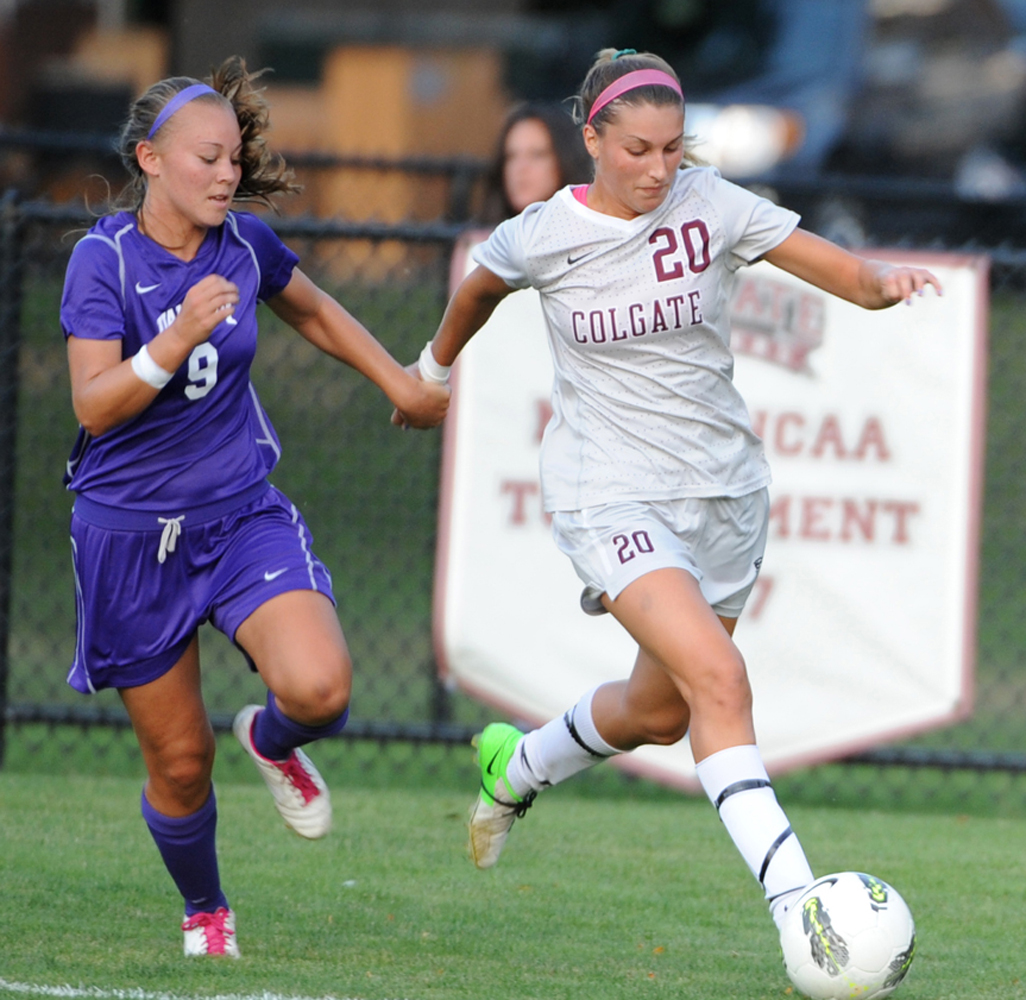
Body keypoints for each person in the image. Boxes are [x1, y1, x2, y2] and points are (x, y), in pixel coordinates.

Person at [408, 47, 941, 945]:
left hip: (725, 495)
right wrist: (429, 370)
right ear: (594, 140)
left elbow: (841, 271)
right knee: (720, 681)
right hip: (607, 495)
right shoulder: (543, 232)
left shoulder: (712, 204)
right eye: (638, 150)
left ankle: (518, 765)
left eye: (672, 149)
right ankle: (801, 910)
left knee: (658, 712)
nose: (659, 169)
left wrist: (883, 285)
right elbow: (481, 288)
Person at [60, 57, 450, 958]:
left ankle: (272, 741)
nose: (227, 175)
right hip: (128, 539)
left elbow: (310, 308)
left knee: (321, 688)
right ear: (150, 159)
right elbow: (93, 404)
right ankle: (206, 910)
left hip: (239, 515)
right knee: (181, 763)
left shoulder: (242, 245)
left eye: (235, 159)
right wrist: (178, 336)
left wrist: (399, 379)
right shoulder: (102, 260)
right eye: (208, 159)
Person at [478, 101, 592, 224]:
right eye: (511, 156)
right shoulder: (481, 239)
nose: (521, 168)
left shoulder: (593, 235)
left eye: (537, 155)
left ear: (565, 159)